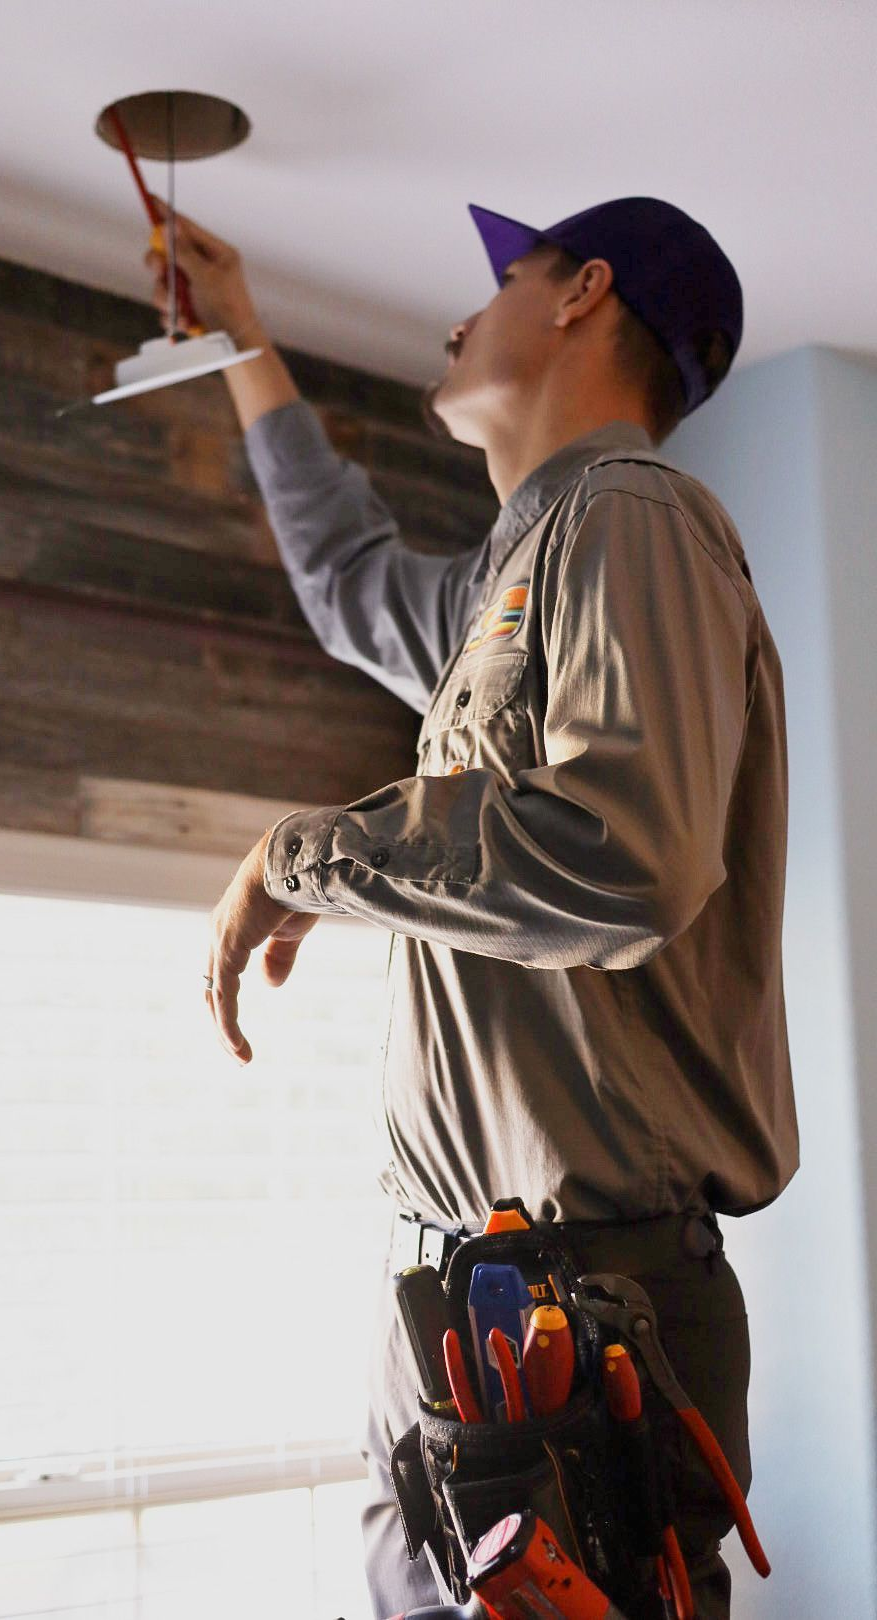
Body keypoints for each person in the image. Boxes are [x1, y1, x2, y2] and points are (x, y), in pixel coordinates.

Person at [149, 194, 800, 1620]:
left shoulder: (628, 518)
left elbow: (626, 860)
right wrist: (245, 335)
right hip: (476, 1304)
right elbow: (344, 581)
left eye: (502, 279)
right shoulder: (509, 583)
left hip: (583, 1310)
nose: (460, 315)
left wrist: (307, 856)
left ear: (583, 295)